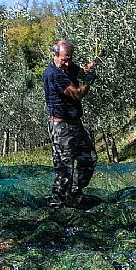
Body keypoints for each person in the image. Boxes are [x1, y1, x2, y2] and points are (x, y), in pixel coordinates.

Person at [43, 39, 100, 208]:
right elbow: (76, 94)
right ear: (54, 55)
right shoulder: (54, 74)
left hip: (75, 124)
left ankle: (74, 193)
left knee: (89, 158)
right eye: (64, 59)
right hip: (61, 127)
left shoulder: (68, 67)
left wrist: (95, 63)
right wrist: (89, 81)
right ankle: (57, 204)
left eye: (69, 59)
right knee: (64, 169)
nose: (67, 63)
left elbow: (81, 71)